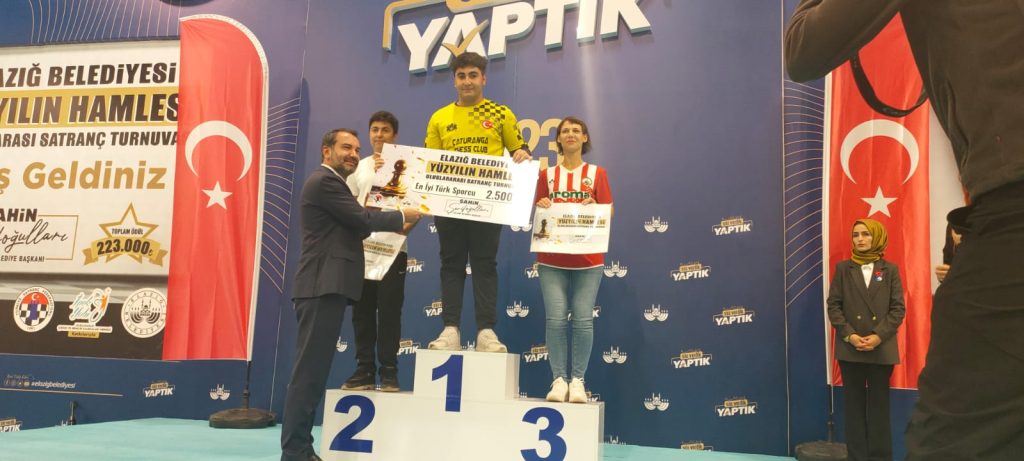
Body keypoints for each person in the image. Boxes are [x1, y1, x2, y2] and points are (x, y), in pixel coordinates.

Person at [786, 3, 1024, 458]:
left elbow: (803, 47)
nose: (859, 239)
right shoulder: (846, 273)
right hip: (1003, 206)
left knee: (953, 442)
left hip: (1011, 214)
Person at [281, 128, 421, 461]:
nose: (353, 154)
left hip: (327, 287)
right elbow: (362, 217)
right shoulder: (325, 182)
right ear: (325, 150)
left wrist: (400, 219)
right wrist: (403, 214)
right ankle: (295, 451)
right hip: (321, 286)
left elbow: (357, 224)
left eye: (357, 150)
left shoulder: (336, 185)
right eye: (346, 147)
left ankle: (300, 448)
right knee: (309, 373)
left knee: (314, 372)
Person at [424, 51, 531, 352]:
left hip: (488, 205)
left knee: (485, 264)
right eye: (461, 76)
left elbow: (520, 150)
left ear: (483, 78)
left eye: (473, 75)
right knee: (451, 264)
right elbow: (429, 163)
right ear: (454, 81)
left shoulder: (500, 113)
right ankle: (450, 330)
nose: (467, 81)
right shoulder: (439, 117)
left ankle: (486, 331)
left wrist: (522, 154)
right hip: (449, 204)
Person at [533, 117, 612, 403]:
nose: (570, 134)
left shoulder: (597, 173)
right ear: (558, 139)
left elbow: (609, 212)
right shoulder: (547, 175)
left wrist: (596, 207)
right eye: (565, 131)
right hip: (551, 258)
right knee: (555, 320)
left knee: (582, 320)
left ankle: (578, 380)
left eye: (576, 131)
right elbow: (539, 211)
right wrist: (542, 204)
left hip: (588, 259)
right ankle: (558, 380)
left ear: (584, 138)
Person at [342, 111, 417, 393]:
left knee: (389, 312)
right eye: (374, 129)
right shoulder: (358, 167)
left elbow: (417, 204)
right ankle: (364, 370)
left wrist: (403, 230)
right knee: (361, 312)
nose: (379, 135)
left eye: (385, 130)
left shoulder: (409, 166)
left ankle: (389, 372)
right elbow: (349, 205)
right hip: (361, 248)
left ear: (394, 135)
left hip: (394, 249)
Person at [826, 219, 905, 461]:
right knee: (854, 409)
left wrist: (878, 336)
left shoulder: (890, 269)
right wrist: (850, 335)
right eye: (856, 235)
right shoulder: (843, 269)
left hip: (881, 348)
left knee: (879, 408)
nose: (860, 239)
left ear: (877, 237)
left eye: (866, 234)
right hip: (851, 349)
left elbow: (898, 309)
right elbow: (834, 306)